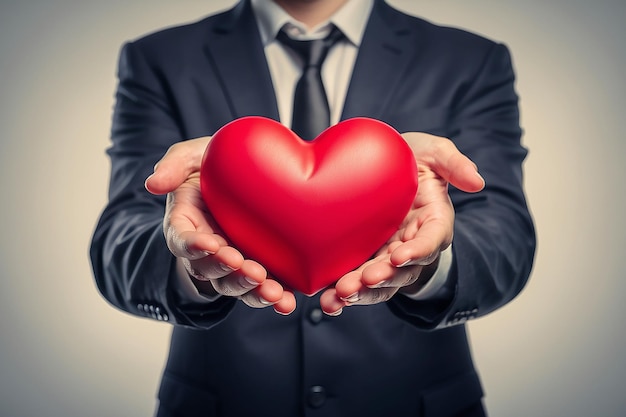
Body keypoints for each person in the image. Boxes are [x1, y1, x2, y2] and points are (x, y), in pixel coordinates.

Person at [90, 0, 536, 416]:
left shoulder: (470, 58)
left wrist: (428, 263)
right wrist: (191, 263)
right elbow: (119, 236)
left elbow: (505, 234)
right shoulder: (159, 58)